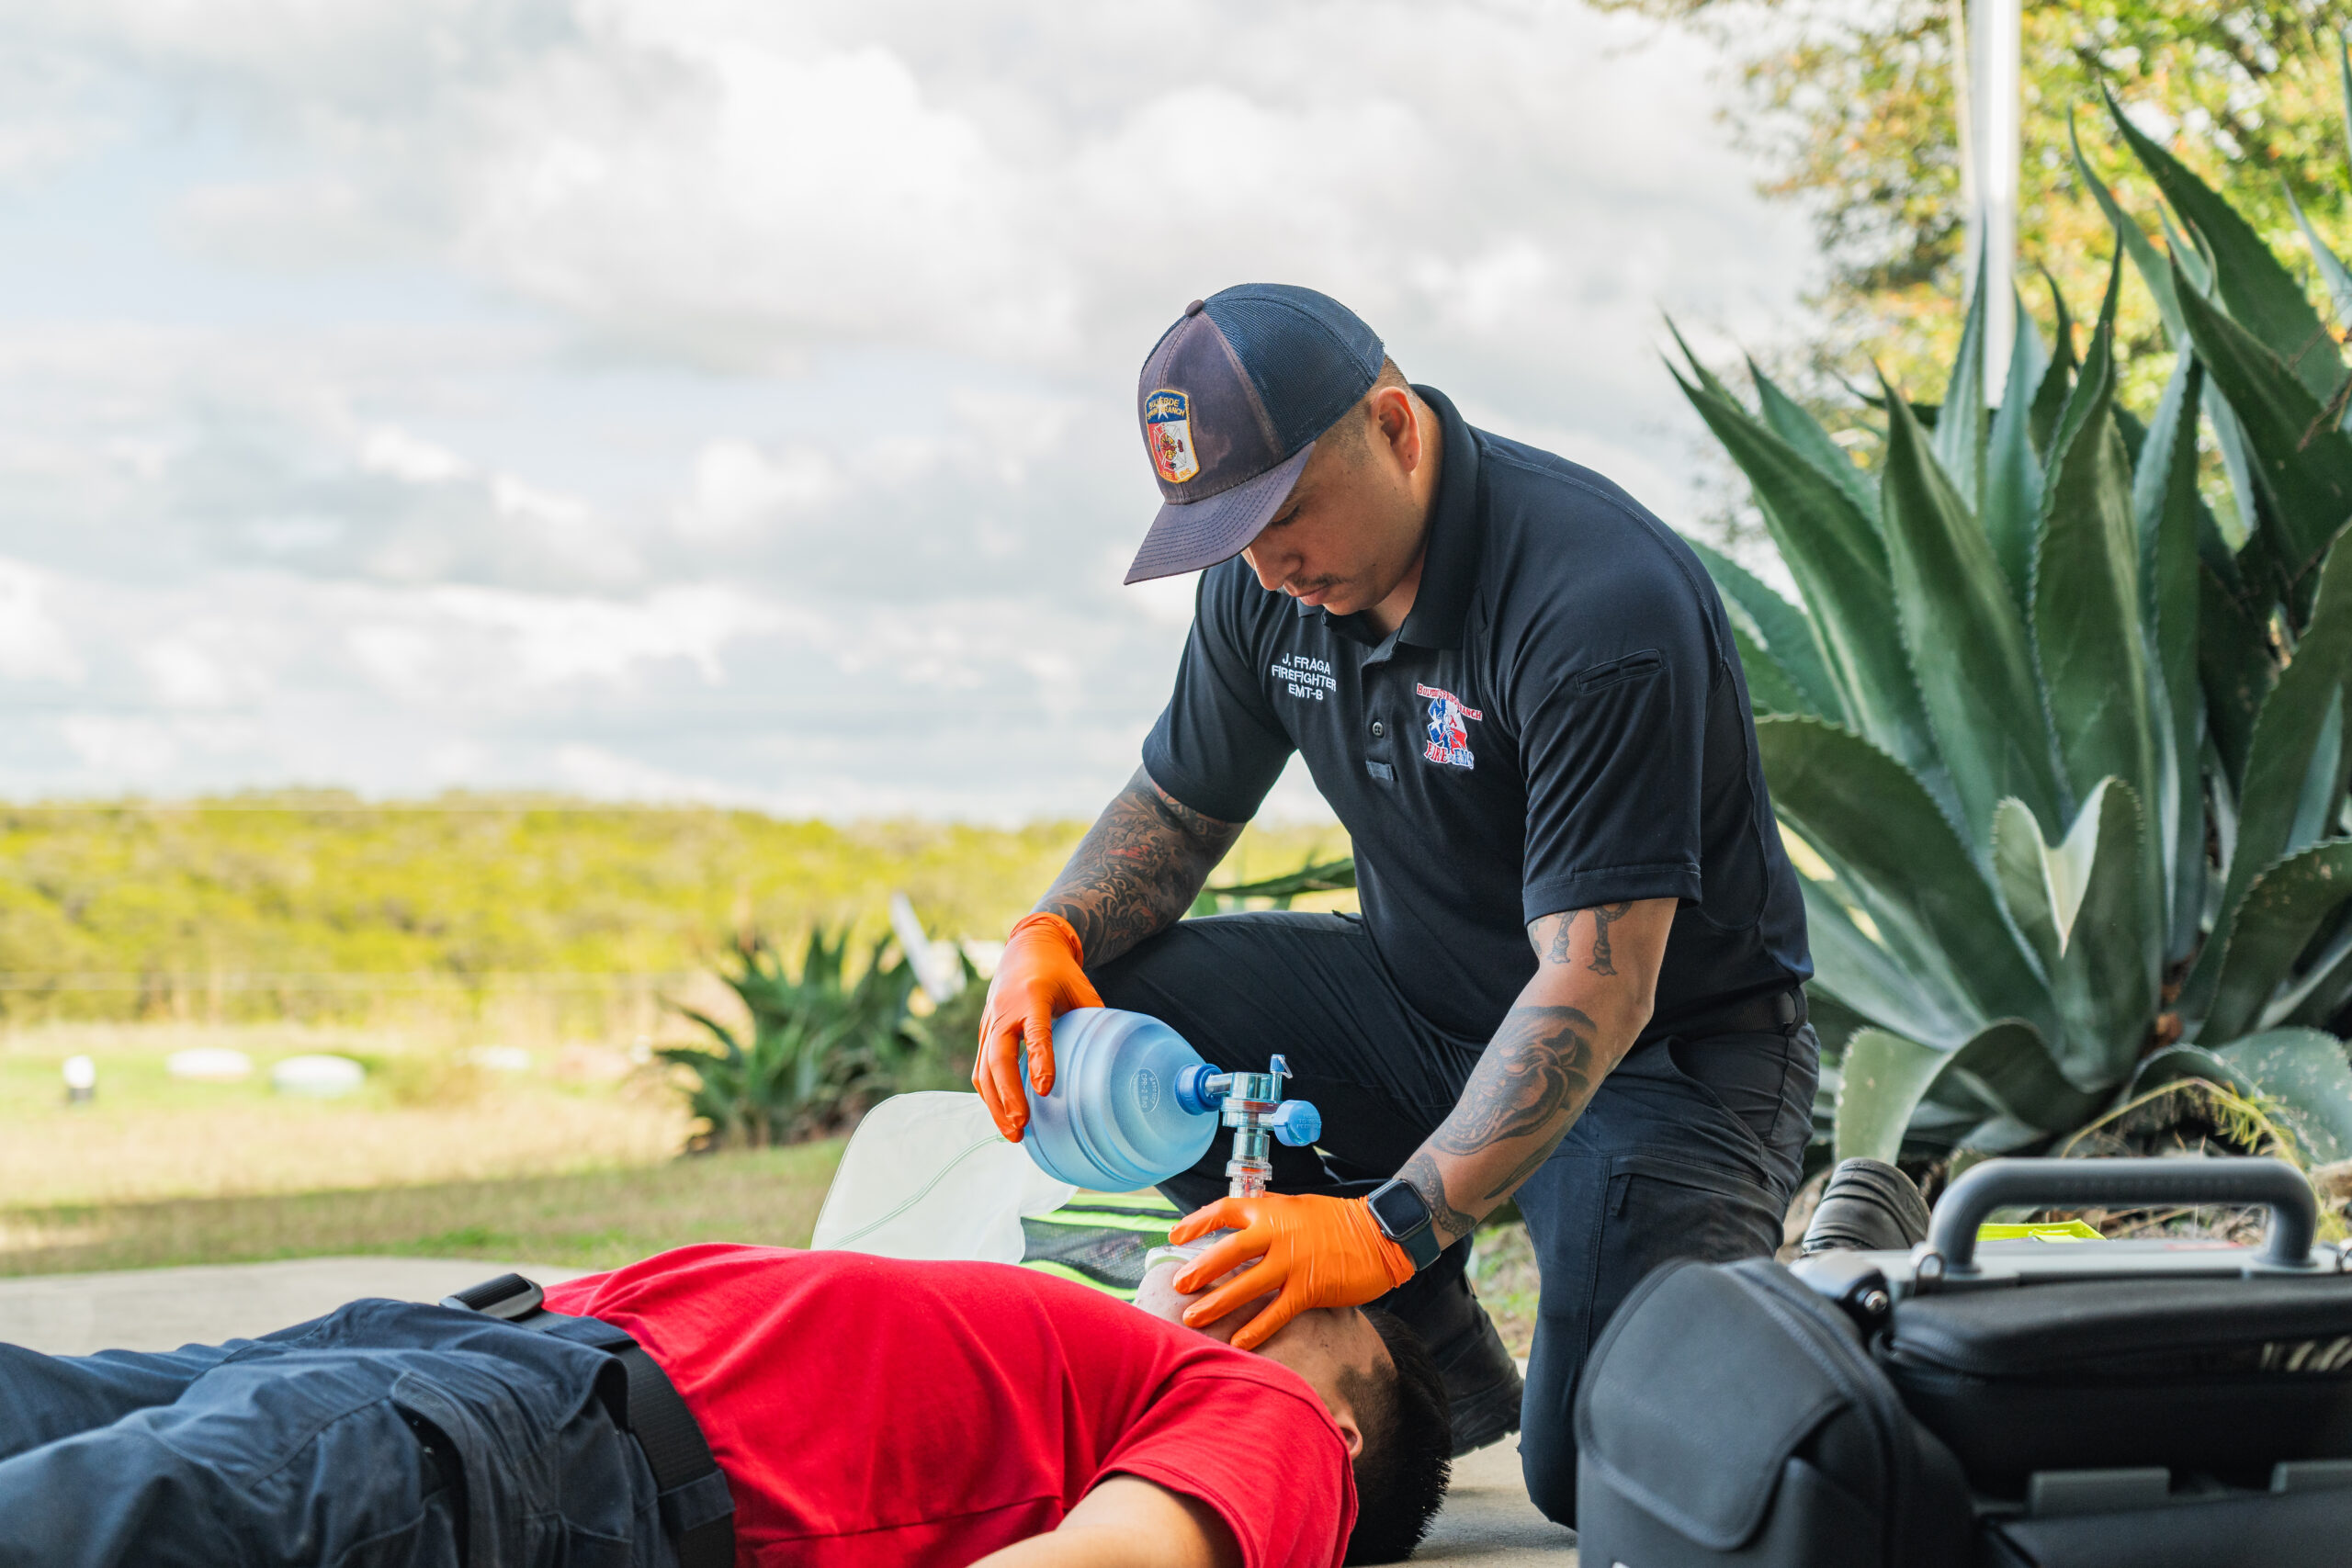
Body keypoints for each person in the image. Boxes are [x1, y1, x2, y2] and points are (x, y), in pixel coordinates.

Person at [973, 283, 1818, 1521]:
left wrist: (1380, 1230)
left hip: (1667, 1059)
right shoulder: (1271, 588)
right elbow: (1179, 805)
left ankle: (1850, 1268)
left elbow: (1600, 983)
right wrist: (1049, 934)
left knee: (1604, 1476)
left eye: (1281, 515)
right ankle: (1440, 1370)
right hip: (1426, 1008)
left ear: (1394, 427)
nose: (1264, 564)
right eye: (1228, 535)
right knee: (1124, 995)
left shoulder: (1595, 602)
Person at [0, 1243, 1452, 1568]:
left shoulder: (1271, 1429)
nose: (1262, 1244)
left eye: (1323, 1299)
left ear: (1349, 1419)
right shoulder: (1100, 1343)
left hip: (536, 1451)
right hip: (441, 1359)